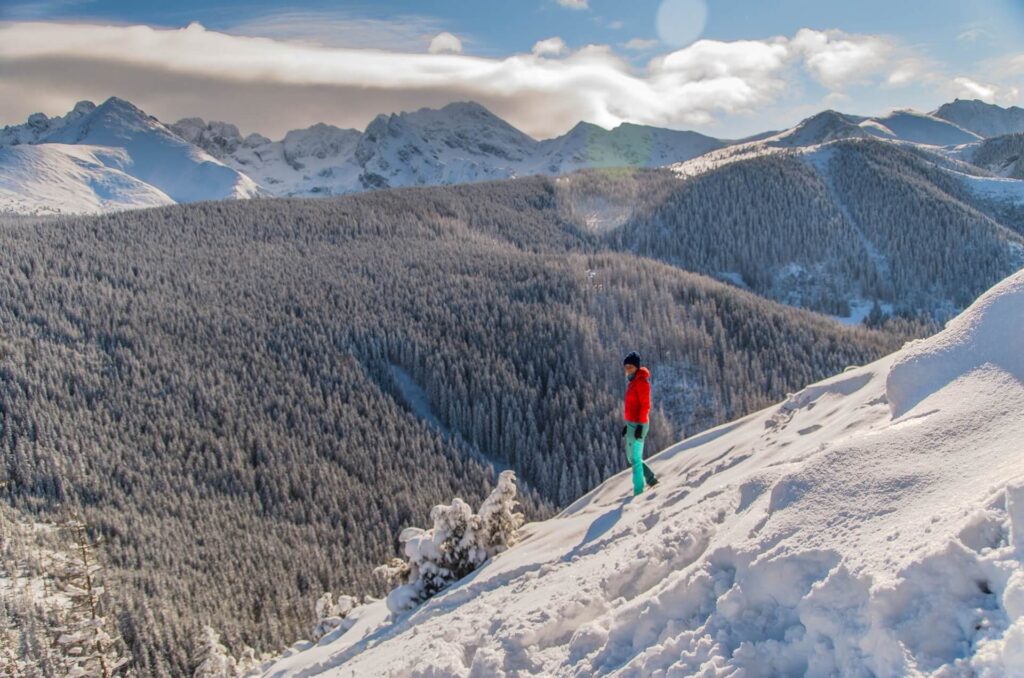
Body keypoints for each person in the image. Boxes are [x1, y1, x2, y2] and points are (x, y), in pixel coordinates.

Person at [622, 351, 658, 496]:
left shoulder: (641, 382)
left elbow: (645, 405)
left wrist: (640, 426)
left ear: (636, 367)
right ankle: (651, 479)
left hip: (639, 424)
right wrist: (628, 425)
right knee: (631, 458)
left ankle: (638, 492)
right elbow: (633, 406)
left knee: (635, 459)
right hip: (632, 424)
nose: (627, 369)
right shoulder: (633, 382)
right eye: (626, 367)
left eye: (630, 367)